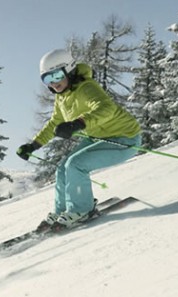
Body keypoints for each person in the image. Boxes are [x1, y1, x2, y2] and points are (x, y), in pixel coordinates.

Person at [16, 49, 141, 229]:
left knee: (75, 164)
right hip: (98, 137)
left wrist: (79, 123)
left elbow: (107, 108)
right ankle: (63, 210)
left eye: (57, 75)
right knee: (62, 168)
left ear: (69, 70)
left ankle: (82, 210)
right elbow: (54, 123)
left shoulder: (86, 88)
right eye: (47, 79)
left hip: (124, 138)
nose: (54, 83)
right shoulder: (62, 97)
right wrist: (33, 145)